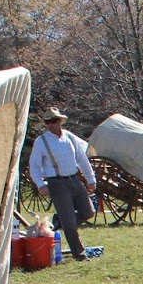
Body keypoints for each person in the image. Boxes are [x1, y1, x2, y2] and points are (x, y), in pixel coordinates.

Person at [28, 108, 98, 262]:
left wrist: (91, 179)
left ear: (60, 121)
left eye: (53, 121)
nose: (50, 125)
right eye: (47, 122)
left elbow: (82, 159)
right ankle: (79, 254)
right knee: (70, 223)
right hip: (56, 183)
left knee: (88, 212)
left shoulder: (69, 137)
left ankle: (61, 222)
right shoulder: (41, 141)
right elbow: (34, 166)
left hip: (74, 179)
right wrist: (40, 184)